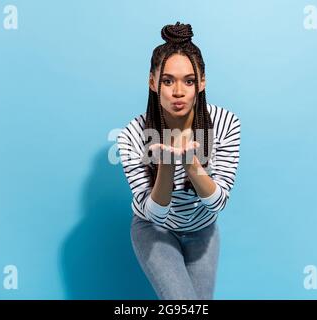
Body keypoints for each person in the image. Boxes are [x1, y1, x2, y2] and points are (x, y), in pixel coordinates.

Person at [117, 21, 241, 300]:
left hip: (203, 230)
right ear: (152, 82)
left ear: (202, 82)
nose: (178, 92)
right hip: (155, 230)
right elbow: (154, 213)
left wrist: (190, 163)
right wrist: (167, 164)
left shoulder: (226, 123)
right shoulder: (131, 135)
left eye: (188, 80)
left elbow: (219, 202)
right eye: (167, 80)